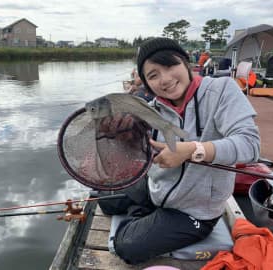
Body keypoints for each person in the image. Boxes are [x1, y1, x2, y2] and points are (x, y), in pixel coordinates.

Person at [98, 37, 260, 264]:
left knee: (127, 246)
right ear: (146, 83)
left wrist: (193, 149)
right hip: (157, 188)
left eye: (170, 66)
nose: (165, 80)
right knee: (104, 199)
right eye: (153, 75)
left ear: (185, 62)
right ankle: (145, 209)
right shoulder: (150, 109)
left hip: (195, 210)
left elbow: (250, 144)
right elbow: (140, 152)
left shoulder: (222, 90)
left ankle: (143, 214)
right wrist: (122, 137)